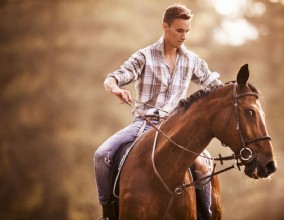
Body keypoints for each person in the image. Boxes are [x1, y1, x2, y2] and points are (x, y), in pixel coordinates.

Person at [94, 3, 222, 220]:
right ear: (165, 26)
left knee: (203, 164)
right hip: (143, 125)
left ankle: (205, 215)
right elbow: (112, 78)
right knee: (102, 155)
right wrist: (116, 89)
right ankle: (107, 212)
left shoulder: (192, 60)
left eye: (186, 31)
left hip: (177, 127)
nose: (184, 36)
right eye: (179, 30)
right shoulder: (145, 56)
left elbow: (215, 86)